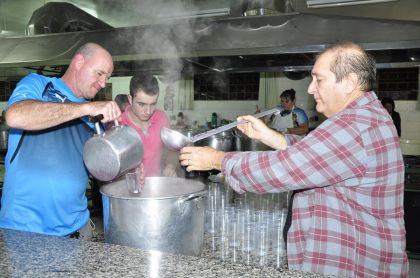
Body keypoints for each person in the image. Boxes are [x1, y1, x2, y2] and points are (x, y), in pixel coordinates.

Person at [179, 42, 408, 277]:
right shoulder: (368, 116)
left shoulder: (353, 126)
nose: (310, 89)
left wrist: (218, 160)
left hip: (353, 265)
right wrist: (269, 136)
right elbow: (316, 155)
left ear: (349, 82)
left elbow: (283, 169)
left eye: (318, 79)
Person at [0, 43, 121, 238]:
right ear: (79, 62)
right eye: (99, 73)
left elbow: (100, 172)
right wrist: (85, 108)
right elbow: (15, 116)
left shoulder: (95, 119)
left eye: (107, 77)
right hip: (25, 232)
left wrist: (123, 167)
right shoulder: (39, 85)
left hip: (77, 232)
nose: (103, 83)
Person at [120, 74, 179, 177]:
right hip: (127, 191)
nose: (148, 111)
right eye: (141, 104)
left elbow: (172, 150)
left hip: (157, 187)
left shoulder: (161, 118)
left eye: (153, 104)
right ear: (130, 99)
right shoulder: (119, 125)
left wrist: (171, 165)